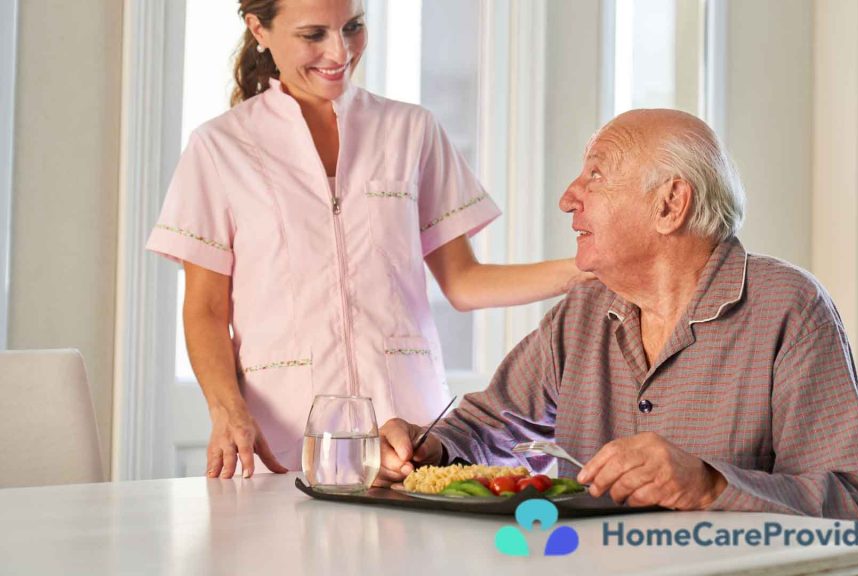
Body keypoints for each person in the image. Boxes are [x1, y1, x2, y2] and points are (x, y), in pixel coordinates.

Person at [378, 109, 858, 522]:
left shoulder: (789, 308)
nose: (568, 199)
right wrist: (430, 449)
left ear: (670, 204)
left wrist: (710, 485)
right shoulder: (582, 312)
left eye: (596, 175)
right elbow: (488, 426)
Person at [146, 0, 589, 479]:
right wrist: (227, 410)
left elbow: (464, 282)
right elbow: (206, 310)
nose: (340, 52)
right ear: (259, 29)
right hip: (283, 436)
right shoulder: (220, 147)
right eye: (313, 34)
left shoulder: (410, 131)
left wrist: (587, 269)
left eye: (353, 27)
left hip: (407, 431)